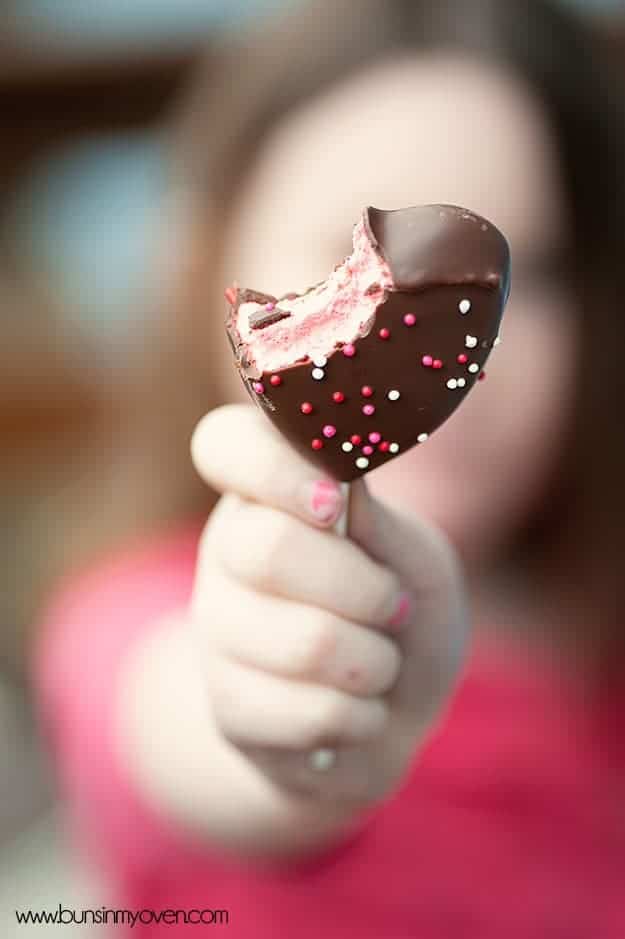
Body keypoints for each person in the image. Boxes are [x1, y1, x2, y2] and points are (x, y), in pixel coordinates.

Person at [34, 0, 625, 935]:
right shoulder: (145, 615)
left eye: (532, 270)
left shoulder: (596, 638)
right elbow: (189, 719)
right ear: (202, 276)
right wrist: (288, 746)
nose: (460, 341)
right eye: (355, 253)